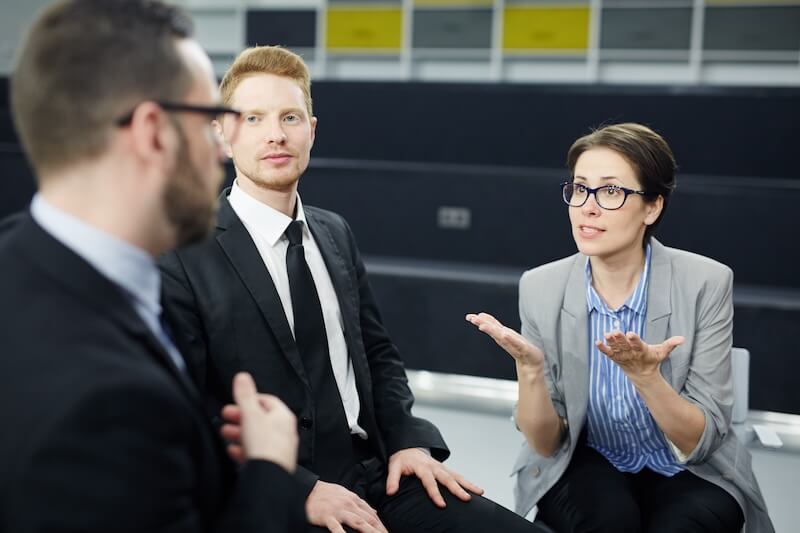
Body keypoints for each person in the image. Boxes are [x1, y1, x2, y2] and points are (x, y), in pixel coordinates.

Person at [159, 45, 546, 533]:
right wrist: (297, 488)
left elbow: (378, 354)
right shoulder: (181, 252)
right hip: (278, 494)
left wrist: (409, 440)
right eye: (253, 118)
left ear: (312, 131)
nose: (276, 134)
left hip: (380, 473)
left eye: (290, 117)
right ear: (222, 133)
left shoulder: (334, 232)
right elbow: (184, 406)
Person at [0, 1, 306, 531]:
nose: (219, 148)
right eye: (212, 119)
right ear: (153, 132)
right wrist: (270, 468)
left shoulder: (19, 258)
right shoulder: (106, 403)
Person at [467, 122, 774, 532]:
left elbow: (700, 442)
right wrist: (530, 370)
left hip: (693, 469)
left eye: (610, 191)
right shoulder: (541, 286)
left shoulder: (706, 281)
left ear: (653, 207)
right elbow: (545, 444)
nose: (587, 207)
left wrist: (648, 378)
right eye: (580, 189)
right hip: (585, 460)